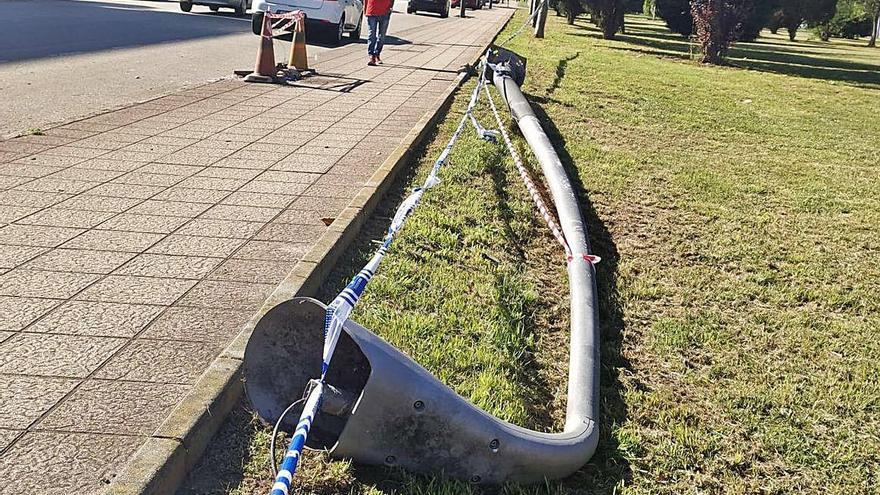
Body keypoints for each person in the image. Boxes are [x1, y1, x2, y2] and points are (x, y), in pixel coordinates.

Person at [365, 0, 392, 65]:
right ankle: (371, 56)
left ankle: (377, 54)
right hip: (371, 11)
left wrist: (390, 7)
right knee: (372, 34)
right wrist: (365, 9)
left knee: (382, 35)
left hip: (385, 12)